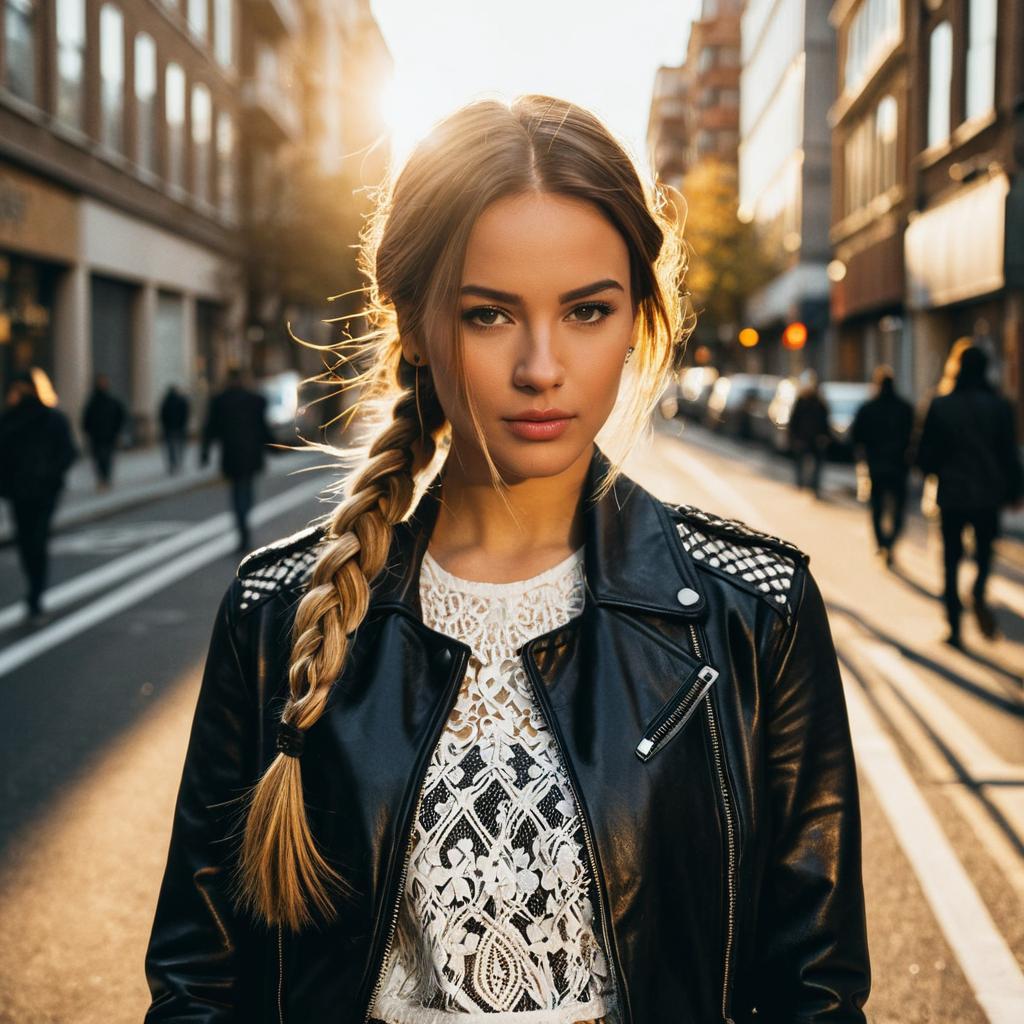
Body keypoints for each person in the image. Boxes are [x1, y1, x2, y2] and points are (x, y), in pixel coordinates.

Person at [145, 95, 870, 1023]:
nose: (541, 366)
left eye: (587, 311)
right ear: (410, 322)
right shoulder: (275, 615)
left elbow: (815, 988)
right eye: (489, 315)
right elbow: (198, 982)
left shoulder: (755, 610)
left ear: (639, 318)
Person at [917, 345, 1023, 646]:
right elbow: (1009, 453)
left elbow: (925, 455)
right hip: (988, 495)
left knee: (950, 560)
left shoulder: (939, 404)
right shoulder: (1000, 406)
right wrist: (1016, 490)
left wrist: (933, 471)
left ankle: (954, 627)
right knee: (985, 553)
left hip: (952, 494)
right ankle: (977, 591)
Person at [0, 369, 78, 621]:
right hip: (22, 492)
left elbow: (68, 452)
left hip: (41, 491)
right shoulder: (9, 420)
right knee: (27, 542)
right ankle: (35, 589)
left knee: (35, 540)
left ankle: (35, 592)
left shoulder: (50, 418)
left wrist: (50, 474)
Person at [200, 368, 274, 552]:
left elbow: (210, 429)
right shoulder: (255, 400)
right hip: (251, 455)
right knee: (246, 492)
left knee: (237, 494)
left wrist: (205, 452)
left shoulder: (220, 401)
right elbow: (263, 428)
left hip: (232, 455)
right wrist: (274, 447)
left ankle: (242, 526)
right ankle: (244, 523)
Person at [851, 365, 915, 567]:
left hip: (876, 465)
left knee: (877, 507)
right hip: (899, 465)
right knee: (899, 509)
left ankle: (881, 542)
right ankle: (890, 540)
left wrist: (861, 453)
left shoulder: (868, 408)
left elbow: (856, 436)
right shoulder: (905, 408)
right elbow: (913, 436)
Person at [787, 372, 832, 497]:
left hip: (813, 438)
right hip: (804, 438)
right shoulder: (803, 401)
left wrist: (825, 435)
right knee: (803, 462)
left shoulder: (819, 402)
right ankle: (803, 484)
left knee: (814, 464)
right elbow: (794, 420)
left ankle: (812, 486)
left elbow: (825, 421)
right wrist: (794, 436)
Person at [81, 374, 126, 490]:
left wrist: (117, 431)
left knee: (107, 459)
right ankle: (102, 480)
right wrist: (88, 431)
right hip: (97, 437)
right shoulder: (93, 402)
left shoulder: (112, 401)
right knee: (99, 460)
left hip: (109, 436)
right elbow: (86, 419)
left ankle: (105, 479)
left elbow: (120, 416)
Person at [158, 384, 190, 474]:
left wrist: (165, 426)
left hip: (169, 429)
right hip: (180, 428)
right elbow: (186, 413)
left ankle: (173, 465)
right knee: (180, 447)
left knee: (171, 449)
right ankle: (179, 463)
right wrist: (183, 424)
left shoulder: (166, 402)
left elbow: (162, 415)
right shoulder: (181, 401)